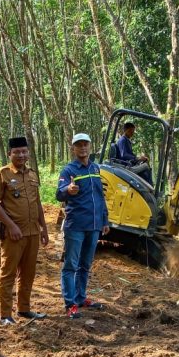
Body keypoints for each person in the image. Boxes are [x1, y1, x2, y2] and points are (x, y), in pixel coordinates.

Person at [0, 136, 49, 326]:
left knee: (28, 273)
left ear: (28, 153)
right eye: (17, 152)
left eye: (24, 151)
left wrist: (44, 228)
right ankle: (5, 315)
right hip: (14, 234)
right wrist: (11, 226)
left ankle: (24, 308)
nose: (21, 155)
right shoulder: (3, 174)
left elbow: (37, 203)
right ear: (9, 154)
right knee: (8, 273)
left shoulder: (32, 174)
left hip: (32, 232)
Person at [56, 133, 110, 319]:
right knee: (71, 265)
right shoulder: (68, 170)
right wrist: (67, 190)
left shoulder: (95, 168)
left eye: (85, 144)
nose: (82, 148)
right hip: (76, 225)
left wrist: (105, 220)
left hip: (94, 225)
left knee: (85, 265)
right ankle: (70, 303)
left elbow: (100, 196)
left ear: (90, 146)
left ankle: (80, 297)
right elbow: (59, 194)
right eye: (78, 145)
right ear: (73, 148)